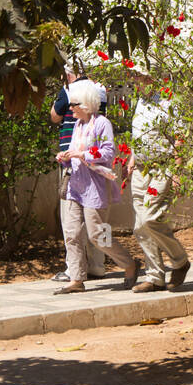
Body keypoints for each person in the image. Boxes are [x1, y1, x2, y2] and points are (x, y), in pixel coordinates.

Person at [54, 79, 140, 294]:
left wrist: (82, 154)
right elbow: (74, 153)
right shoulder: (77, 125)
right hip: (75, 184)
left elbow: (109, 153)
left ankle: (129, 263)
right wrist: (65, 157)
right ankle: (76, 278)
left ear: (85, 105)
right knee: (71, 233)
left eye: (73, 105)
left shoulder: (102, 124)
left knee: (98, 234)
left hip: (94, 187)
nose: (70, 108)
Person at [125, 76, 190, 293]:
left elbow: (180, 137)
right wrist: (132, 158)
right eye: (133, 76)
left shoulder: (168, 102)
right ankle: (155, 277)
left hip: (161, 169)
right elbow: (140, 134)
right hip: (140, 171)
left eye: (139, 76)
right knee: (139, 226)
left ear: (150, 77)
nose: (134, 80)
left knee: (150, 218)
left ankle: (180, 261)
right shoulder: (140, 101)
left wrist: (177, 172)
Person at [51, 61, 109, 282]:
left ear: (69, 73)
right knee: (99, 218)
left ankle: (73, 269)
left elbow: (54, 115)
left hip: (73, 161)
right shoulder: (100, 88)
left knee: (71, 219)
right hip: (97, 161)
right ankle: (98, 264)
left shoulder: (69, 90)